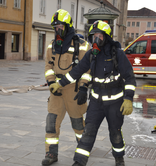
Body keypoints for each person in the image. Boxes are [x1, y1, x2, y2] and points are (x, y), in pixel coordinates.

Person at [49, 20, 136, 166]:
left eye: (99, 35)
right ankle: (79, 161)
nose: (96, 38)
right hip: (96, 102)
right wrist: (60, 83)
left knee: (115, 132)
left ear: (107, 36)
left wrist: (128, 99)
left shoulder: (118, 54)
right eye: (94, 35)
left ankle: (119, 159)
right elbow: (76, 72)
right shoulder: (91, 54)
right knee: (88, 131)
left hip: (115, 103)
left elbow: (129, 77)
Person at [42, 9, 91, 166]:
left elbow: (87, 69)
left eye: (60, 27)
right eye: (55, 27)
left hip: (74, 91)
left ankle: (81, 155)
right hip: (56, 91)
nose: (57, 30)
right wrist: (50, 83)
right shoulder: (52, 45)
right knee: (51, 123)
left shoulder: (83, 46)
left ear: (68, 26)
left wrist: (83, 88)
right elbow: (48, 66)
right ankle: (51, 154)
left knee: (78, 125)